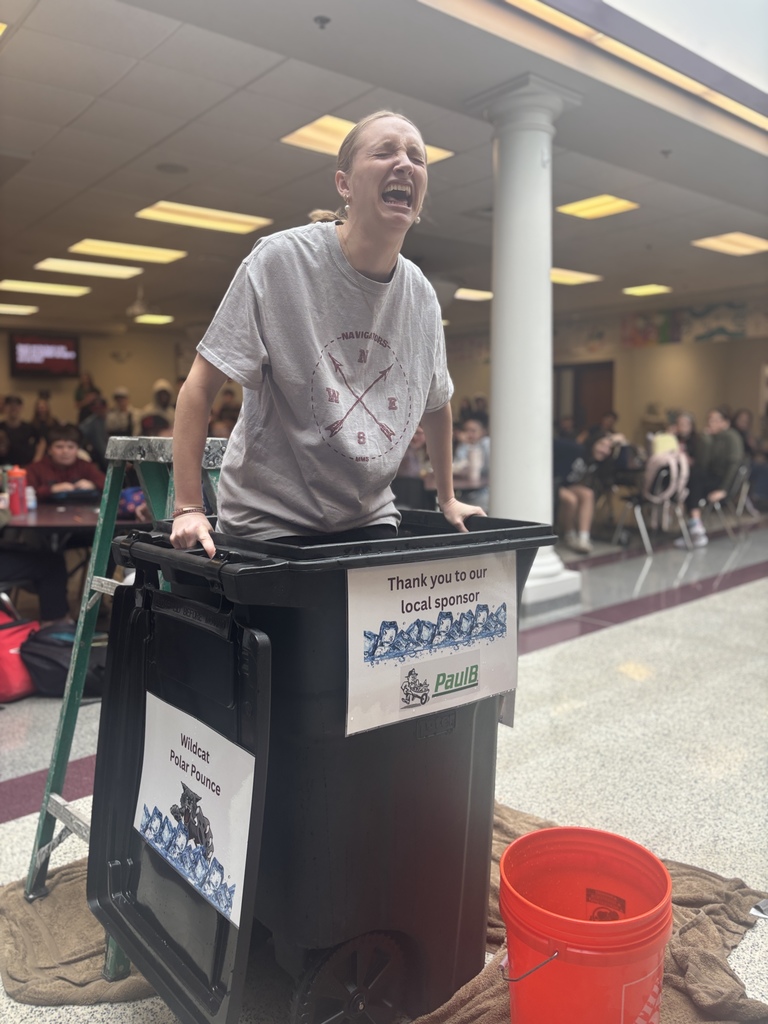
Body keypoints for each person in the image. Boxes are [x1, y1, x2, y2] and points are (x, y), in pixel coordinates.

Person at [170, 110, 485, 556]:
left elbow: (437, 404)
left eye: (417, 156)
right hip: (271, 521)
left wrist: (448, 498)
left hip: (368, 516)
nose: (405, 163)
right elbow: (199, 388)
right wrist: (188, 508)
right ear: (344, 184)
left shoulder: (421, 296)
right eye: (384, 152)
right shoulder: (280, 261)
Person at [675, 407, 744, 548]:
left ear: (725, 423)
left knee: (694, 478)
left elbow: (734, 465)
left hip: (722, 482)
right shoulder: (712, 439)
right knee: (692, 477)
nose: (710, 424)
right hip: (710, 478)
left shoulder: (731, 437)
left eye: (714, 420)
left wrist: (724, 489)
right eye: (709, 420)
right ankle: (695, 526)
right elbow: (703, 463)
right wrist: (706, 441)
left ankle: (695, 526)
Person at [26, 424, 106, 502]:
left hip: (82, 512)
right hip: (44, 513)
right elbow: (26, 493)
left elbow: (107, 484)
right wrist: (51, 489)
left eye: (71, 447)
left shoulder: (85, 466)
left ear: (78, 449)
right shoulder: (35, 469)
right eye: (59, 447)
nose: (65, 451)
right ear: (49, 450)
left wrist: (93, 485)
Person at [452, 416, 490, 512]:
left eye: (473, 431)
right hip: (464, 491)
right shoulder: (464, 446)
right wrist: (465, 444)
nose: (469, 434)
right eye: (466, 430)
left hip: (483, 490)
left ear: (482, 431)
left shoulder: (485, 443)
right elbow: (459, 464)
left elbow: (486, 467)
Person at [0, 396, 40, 466]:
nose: (13, 408)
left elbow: (41, 441)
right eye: (10, 406)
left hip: (25, 466)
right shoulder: (1, 427)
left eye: (16, 406)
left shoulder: (29, 427)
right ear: (4, 408)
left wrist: (36, 459)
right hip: (3, 466)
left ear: (21, 408)